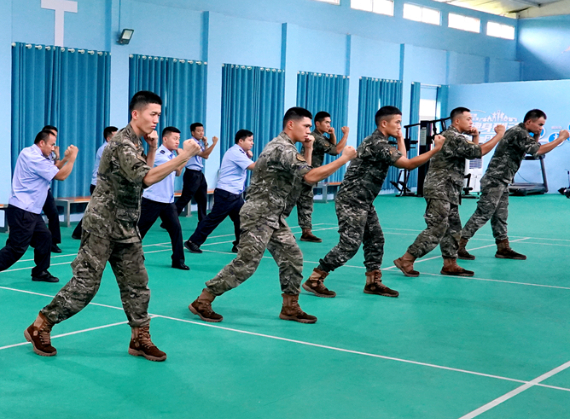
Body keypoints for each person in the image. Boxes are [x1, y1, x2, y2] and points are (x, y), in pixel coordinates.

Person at [21, 91, 200, 360]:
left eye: (159, 115)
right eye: (152, 114)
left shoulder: (136, 143)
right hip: (102, 225)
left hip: (126, 225)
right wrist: (183, 156)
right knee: (86, 285)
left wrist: (152, 149)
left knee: (137, 284)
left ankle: (139, 337)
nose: (156, 120)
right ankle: (42, 324)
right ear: (135, 113)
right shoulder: (121, 143)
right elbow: (148, 178)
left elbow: (140, 173)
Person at [188, 107, 355, 325]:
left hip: (273, 215)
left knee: (293, 257)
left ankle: (290, 307)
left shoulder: (288, 148)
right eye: (306, 126)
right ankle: (203, 300)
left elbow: (304, 175)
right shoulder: (282, 149)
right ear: (291, 125)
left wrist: (308, 148)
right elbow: (311, 175)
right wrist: (343, 159)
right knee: (246, 264)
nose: (309, 131)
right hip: (259, 215)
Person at [303, 106, 444, 298]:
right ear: (384, 123)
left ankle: (372, 282)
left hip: (364, 200)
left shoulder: (383, 142)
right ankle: (315, 278)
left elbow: (402, 158)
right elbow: (409, 165)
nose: (399, 126)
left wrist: (401, 138)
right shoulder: (378, 144)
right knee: (349, 244)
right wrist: (436, 149)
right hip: (352, 200)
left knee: (376, 240)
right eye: (397, 123)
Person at [393, 107, 503, 278]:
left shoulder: (457, 137)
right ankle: (406, 259)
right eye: (468, 119)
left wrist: (475, 136)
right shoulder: (452, 136)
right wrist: (499, 135)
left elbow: (471, 149)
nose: (471, 122)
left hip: (449, 189)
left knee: (453, 228)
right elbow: (478, 152)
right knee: (437, 227)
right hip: (439, 188)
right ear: (457, 121)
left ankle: (450, 264)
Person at [0, 127, 78, 285]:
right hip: (23, 209)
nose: (53, 148)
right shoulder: (33, 157)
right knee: (17, 248)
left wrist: (62, 160)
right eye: (51, 144)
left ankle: (40, 271)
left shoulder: (36, 154)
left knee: (45, 237)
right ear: (41, 143)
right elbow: (60, 175)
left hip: (31, 210)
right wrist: (72, 158)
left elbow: (52, 169)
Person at [459, 110, 569, 260]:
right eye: (540, 124)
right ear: (529, 122)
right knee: (483, 213)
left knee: (501, 215)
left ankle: (503, 248)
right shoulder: (518, 132)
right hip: (495, 180)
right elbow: (538, 151)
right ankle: (458, 245)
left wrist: (536, 135)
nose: (541, 127)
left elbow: (533, 149)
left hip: (503, 180)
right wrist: (560, 138)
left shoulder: (522, 132)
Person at [185, 130, 255, 254]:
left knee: (242, 219)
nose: (252, 143)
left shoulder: (240, 153)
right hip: (227, 193)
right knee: (213, 219)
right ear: (240, 141)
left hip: (235, 194)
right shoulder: (235, 152)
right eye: (250, 140)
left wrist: (248, 156)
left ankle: (239, 245)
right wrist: (268, 161)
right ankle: (193, 242)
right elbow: (253, 167)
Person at [293, 112, 348, 243]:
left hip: (310, 174)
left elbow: (331, 146)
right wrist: (346, 134)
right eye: (326, 122)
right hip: (303, 173)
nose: (329, 125)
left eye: (329, 122)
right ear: (318, 124)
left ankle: (306, 232)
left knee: (306, 202)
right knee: (291, 202)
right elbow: (336, 151)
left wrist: (332, 134)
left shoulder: (320, 137)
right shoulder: (315, 137)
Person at [138, 126, 188, 270]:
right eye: (174, 138)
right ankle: (127, 257)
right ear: (165, 139)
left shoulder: (172, 156)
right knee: (139, 231)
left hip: (168, 202)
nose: (177, 141)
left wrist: (185, 157)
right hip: (152, 200)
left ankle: (178, 260)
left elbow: (178, 172)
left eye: (179, 139)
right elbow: (173, 167)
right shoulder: (160, 155)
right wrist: (184, 156)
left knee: (176, 230)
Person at [71, 125, 118, 241]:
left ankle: (85, 232)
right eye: (115, 136)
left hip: (106, 185)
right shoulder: (105, 149)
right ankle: (79, 232)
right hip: (98, 185)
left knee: (99, 210)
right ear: (108, 138)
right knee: (95, 210)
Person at [176, 122, 217, 221]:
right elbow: (203, 154)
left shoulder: (199, 143)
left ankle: (202, 220)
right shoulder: (191, 143)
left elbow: (206, 156)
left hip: (199, 173)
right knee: (185, 198)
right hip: (192, 173)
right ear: (193, 132)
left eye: (202, 131)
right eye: (198, 131)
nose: (201, 133)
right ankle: (168, 219)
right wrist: (214, 143)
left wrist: (206, 144)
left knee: (203, 198)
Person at [40, 125, 65, 252]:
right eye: (53, 135)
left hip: (45, 189)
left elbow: (56, 168)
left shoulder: (50, 153)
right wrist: (69, 159)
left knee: (53, 213)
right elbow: (59, 175)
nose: (55, 138)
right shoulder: (37, 155)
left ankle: (53, 242)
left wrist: (58, 156)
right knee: (29, 217)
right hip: (33, 192)